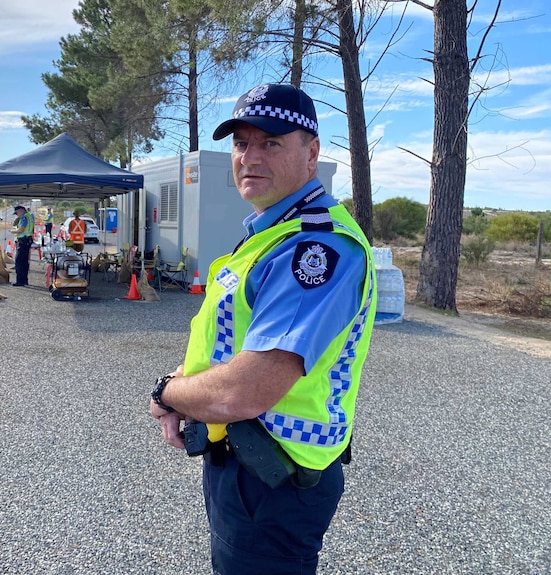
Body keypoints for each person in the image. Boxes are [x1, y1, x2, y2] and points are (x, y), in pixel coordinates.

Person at [149, 83, 377, 575]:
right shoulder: (270, 235)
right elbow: (223, 341)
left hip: (274, 476)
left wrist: (169, 393)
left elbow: (246, 391)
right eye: (241, 143)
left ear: (311, 153)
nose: (250, 157)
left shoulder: (316, 252)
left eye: (271, 142)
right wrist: (181, 389)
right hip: (246, 462)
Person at [11, 205, 34, 286]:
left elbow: (21, 229)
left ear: (21, 210)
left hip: (23, 241)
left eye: (17, 213)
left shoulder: (24, 217)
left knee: (19, 261)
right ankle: (24, 280)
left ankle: (20, 281)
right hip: (27, 240)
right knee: (24, 262)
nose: (17, 215)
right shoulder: (30, 216)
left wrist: (13, 231)